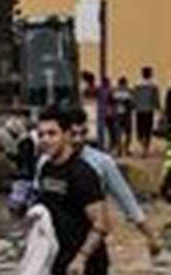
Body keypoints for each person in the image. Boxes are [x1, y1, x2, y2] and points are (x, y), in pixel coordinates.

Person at [32, 105, 113, 275]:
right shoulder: (45, 170)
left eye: (52, 134)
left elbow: (102, 223)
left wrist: (81, 258)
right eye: (41, 134)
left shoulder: (82, 174)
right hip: (56, 263)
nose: (45, 140)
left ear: (67, 135)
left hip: (85, 265)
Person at [51, 107, 162, 258]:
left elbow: (127, 201)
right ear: (64, 134)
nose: (78, 139)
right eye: (73, 134)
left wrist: (150, 237)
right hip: (54, 244)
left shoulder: (102, 163)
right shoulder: (48, 163)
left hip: (90, 245)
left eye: (83, 133)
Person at [133, 67, 160, 158]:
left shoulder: (137, 84)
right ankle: (145, 148)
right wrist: (158, 108)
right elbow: (156, 98)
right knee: (147, 130)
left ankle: (143, 148)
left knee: (140, 130)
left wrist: (134, 106)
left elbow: (134, 97)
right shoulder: (153, 85)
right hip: (149, 110)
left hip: (139, 110)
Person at [113, 77, 134, 156]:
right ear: (125, 83)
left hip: (117, 115)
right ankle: (126, 149)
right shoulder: (129, 92)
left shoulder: (115, 92)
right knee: (128, 133)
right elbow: (132, 104)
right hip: (126, 115)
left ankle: (119, 149)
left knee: (118, 133)